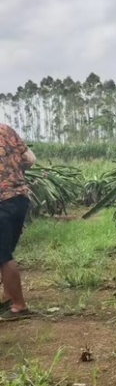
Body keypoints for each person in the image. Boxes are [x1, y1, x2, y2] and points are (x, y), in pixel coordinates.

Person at [0, 123, 36, 321]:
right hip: (21, 199)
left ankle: (19, 306)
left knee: (3, 256)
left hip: (1, 203)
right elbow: (31, 159)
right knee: (6, 251)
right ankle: (7, 297)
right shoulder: (5, 129)